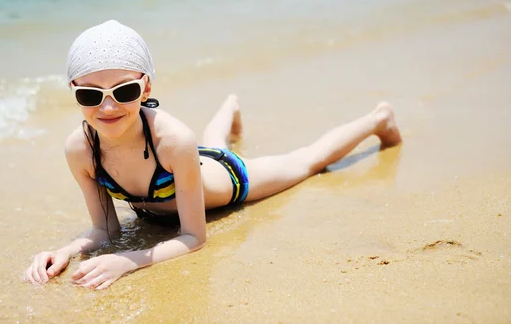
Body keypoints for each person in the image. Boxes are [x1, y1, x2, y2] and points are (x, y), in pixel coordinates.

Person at [23, 20, 402, 290]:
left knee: (308, 161)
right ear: (73, 91)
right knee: (212, 144)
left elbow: (193, 237)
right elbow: (106, 229)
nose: (107, 108)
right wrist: (65, 251)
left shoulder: (174, 140)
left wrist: (130, 261)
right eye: (89, 95)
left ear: (146, 86)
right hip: (191, 164)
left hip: (228, 180)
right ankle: (231, 106)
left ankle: (378, 119)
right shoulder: (81, 148)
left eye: (123, 92)